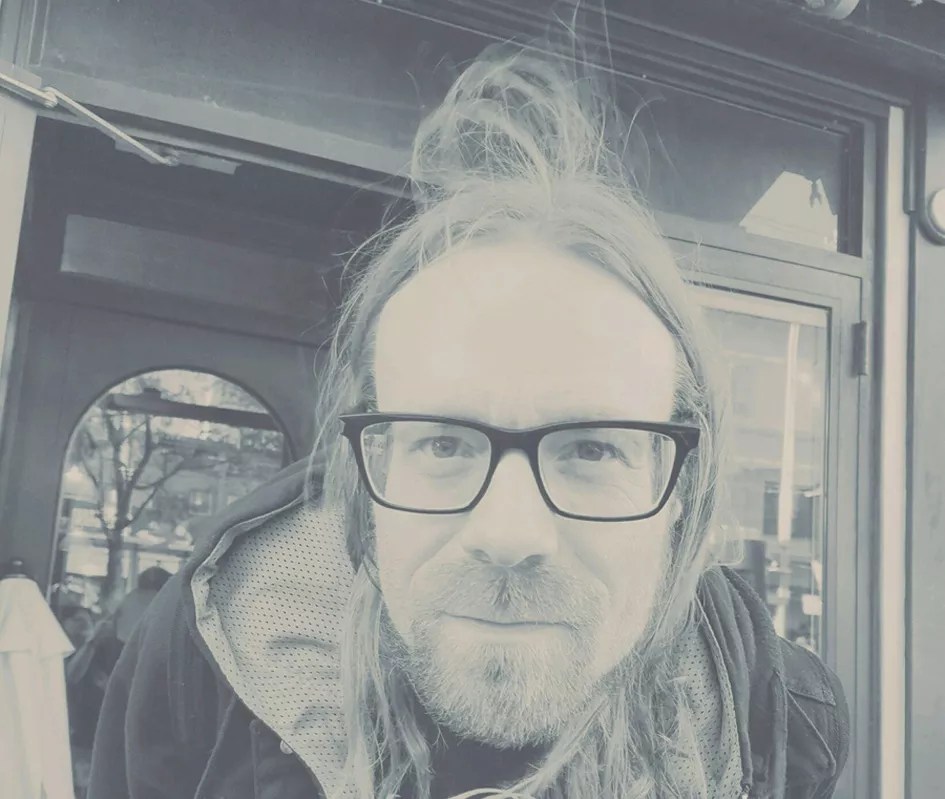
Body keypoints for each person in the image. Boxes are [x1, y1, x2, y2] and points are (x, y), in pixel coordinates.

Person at [89, 47, 848, 799]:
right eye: (443, 442)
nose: (509, 534)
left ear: (679, 489)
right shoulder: (203, 655)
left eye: (591, 448)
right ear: (368, 471)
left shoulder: (780, 719)